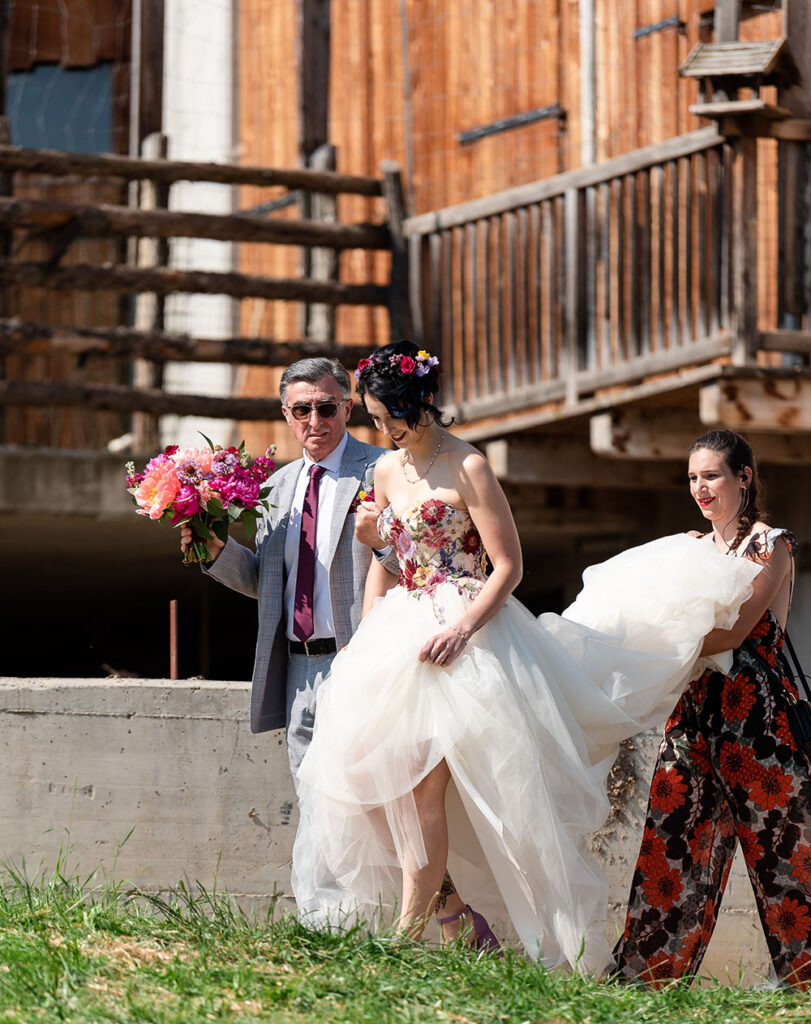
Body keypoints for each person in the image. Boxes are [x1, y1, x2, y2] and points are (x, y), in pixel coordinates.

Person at [290, 344, 763, 970]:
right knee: (371, 786)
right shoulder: (385, 472)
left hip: (465, 633)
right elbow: (389, 564)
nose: (381, 431)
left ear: (417, 405)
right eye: (375, 420)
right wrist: (366, 624)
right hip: (399, 633)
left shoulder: (470, 467)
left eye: (387, 417)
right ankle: (454, 917)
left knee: (426, 795)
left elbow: (508, 567)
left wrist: (462, 629)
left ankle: (402, 943)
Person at [613, 430, 811, 988]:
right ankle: (646, 978)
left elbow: (735, 632)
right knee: (670, 845)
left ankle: (805, 984)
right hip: (696, 713)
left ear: (743, 476)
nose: (700, 487)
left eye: (712, 475)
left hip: (760, 722)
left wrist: (653, 647)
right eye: (693, 477)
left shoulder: (772, 543)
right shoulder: (692, 548)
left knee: (784, 863)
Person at [182, 357, 397, 776]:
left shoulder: (383, 471)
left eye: (326, 407)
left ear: (347, 409)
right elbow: (267, 583)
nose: (314, 419)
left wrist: (382, 545)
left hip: (362, 660)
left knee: (364, 803)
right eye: (302, 409)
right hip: (297, 668)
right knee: (312, 802)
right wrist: (215, 551)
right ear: (287, 415)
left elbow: (415, 565)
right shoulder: (274, 488)